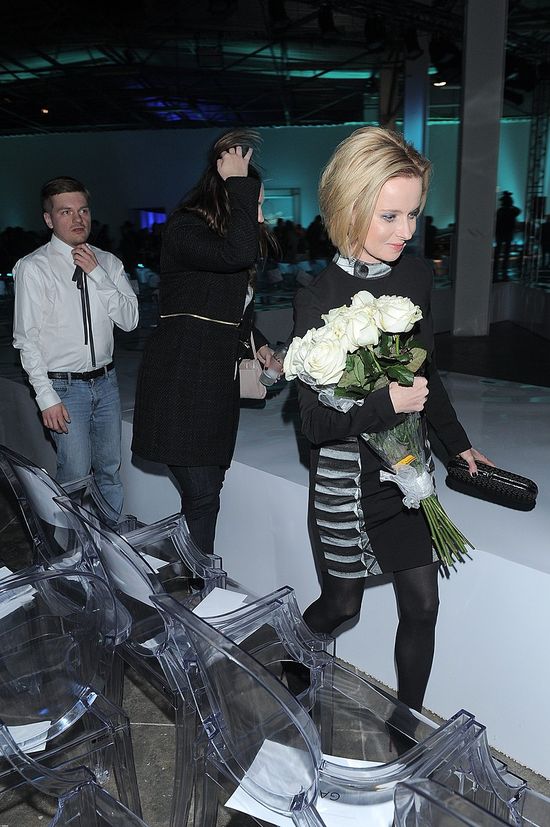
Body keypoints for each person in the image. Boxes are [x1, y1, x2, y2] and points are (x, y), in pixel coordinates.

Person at [292, 127, 492, 712]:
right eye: (390, 216)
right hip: (346, 482)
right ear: (350, 208)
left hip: (405, 473)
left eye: (413, 215)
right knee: (342, 606)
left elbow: (430, 376)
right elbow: (313, 426)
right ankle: (287, 673)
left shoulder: (415, 277)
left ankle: (406, 731)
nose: (406, 231)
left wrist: (457, 445)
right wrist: (386, 404)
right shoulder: (317, 296)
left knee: (423, 605)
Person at [132, 130, 276, 555]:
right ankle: (200, 580)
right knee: (202, 494)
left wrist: (257, 343)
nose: (260, 215)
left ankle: (189, 571)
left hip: (213, 383)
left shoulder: (224, 238)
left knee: (208, 488)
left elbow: (228, 305)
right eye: (255, 203)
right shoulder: (185, 227)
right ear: (227, 195)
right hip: (182, 381)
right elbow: (236, 255)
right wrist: (238, 183)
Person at [13, 176, 139, 515]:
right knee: (74, 477)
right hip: (64, 388)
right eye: (65, 212)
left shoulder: (108, 262)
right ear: (49, 219)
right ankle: (68, 544)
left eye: (83, 210)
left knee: (109, 472)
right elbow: (26, 340)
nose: (77, 218)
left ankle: (109, 543)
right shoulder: (33, 267)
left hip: (107, 383)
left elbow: (130, 320)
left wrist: (98, 275)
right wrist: (46, 397)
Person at [494, 191, 520, 279]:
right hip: (508, 233)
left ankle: (496, 269)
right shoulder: (512, 211)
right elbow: (518, 210)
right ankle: (503, 269)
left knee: (498, 253)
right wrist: (512, 205)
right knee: (506, 253)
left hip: (500, 233)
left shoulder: (500, 211)